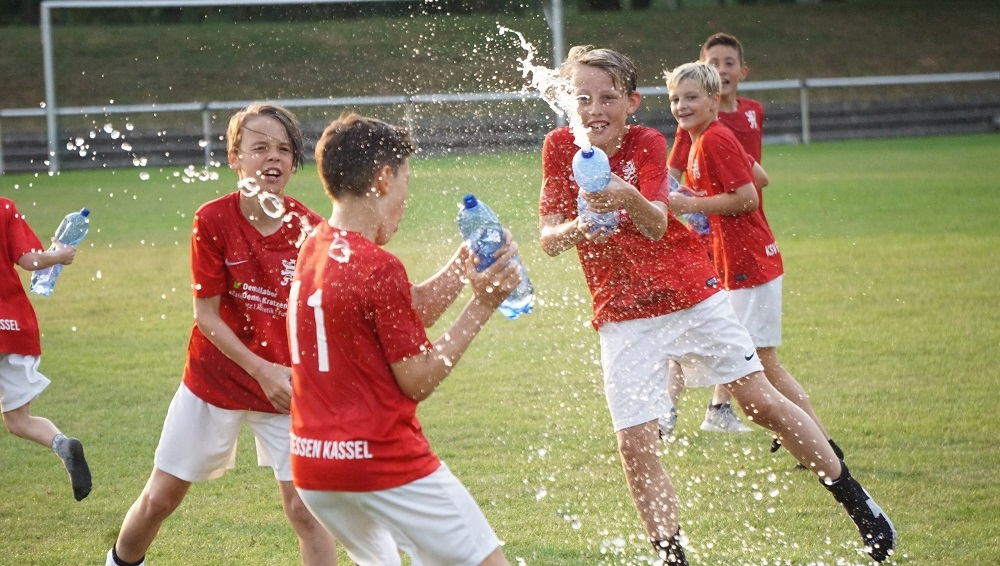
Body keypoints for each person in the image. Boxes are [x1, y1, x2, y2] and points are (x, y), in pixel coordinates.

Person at [537, 45, 896, 563]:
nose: (595, 109)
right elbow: (548, 239)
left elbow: (656, 223)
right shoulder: (558, 147)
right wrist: (579, 226)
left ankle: (858, 501)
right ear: (569, 102)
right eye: (583, 98)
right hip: (621, 313)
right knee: (634, 444)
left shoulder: (646, 141)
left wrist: (625, 196)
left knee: (761, 405)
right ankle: (671, 556)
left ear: (632, 102)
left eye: (608, 98)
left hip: (690, 296)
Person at [105, 103, 337, 566]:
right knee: (160, 499)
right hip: (215, 380)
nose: (273, 157)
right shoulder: (212, 220)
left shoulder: (311, 229)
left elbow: (323, 317)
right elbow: (206, 316)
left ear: (294, 163)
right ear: (235, 159)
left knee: (307, 512)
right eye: (259, 147)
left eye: (283, 149)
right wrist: (261, 369)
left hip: (283, 389)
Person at [288, 112, 517, 566]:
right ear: (383, 178)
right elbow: (418, 378)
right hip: (381, 460)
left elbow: (404, 311)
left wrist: (464, 261)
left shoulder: (315, 245)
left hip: (314, 467)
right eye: (405, 183)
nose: (405, 199)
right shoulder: (378, 267)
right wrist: (483, 304)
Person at [664, 32, 767, 435]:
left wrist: (705, 199)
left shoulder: (739, 120)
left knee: (736, 336)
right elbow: (671, 181)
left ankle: (713, 409)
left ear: (742, 71)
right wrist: (691, 202)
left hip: (739, 234)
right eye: (714, 62)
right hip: (712, 238)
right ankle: (677, 409)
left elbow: (757, 181)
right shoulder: (695, 130)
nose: (722, 69)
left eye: (729, 63)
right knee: (708, 328)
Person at [1, 197, 92, 502]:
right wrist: (60, 255)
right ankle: (62, 444)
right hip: (14, 326)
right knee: (18, 419)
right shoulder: (4, 208)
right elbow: (29, 260)